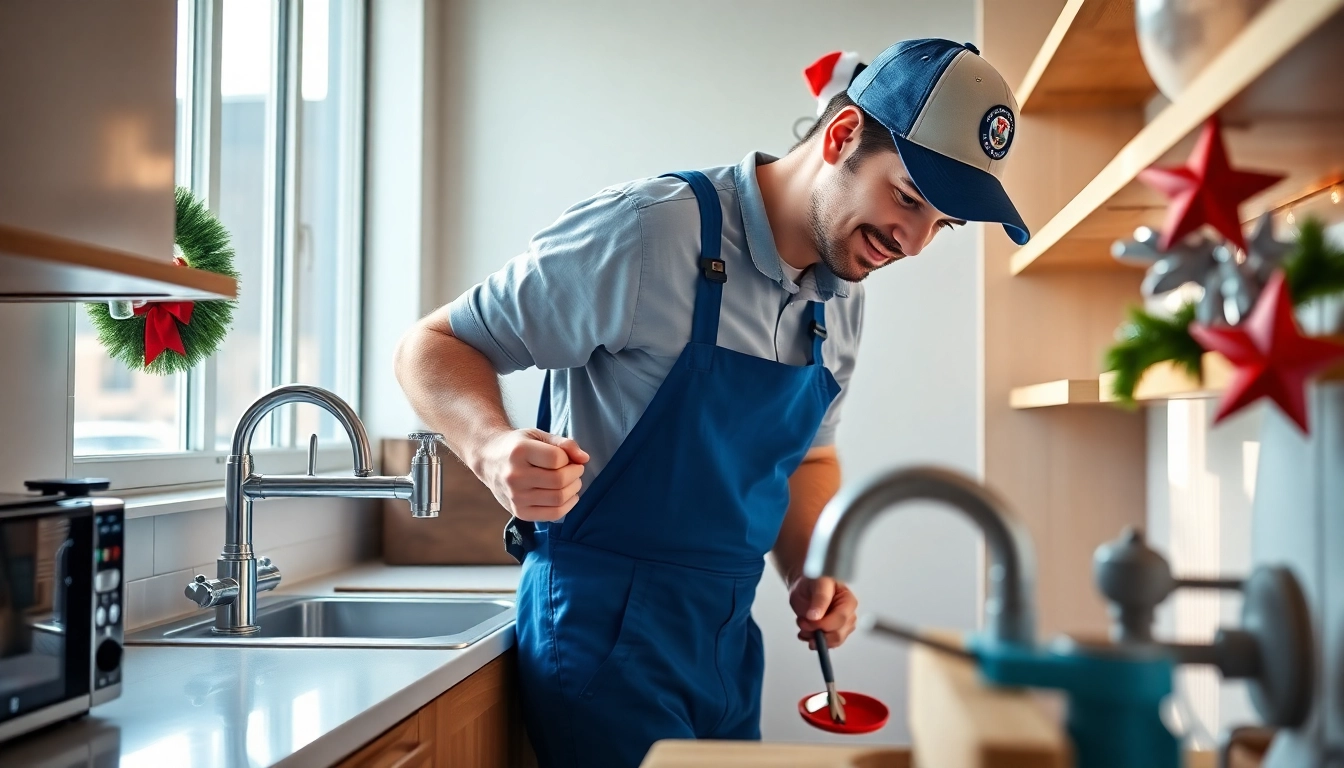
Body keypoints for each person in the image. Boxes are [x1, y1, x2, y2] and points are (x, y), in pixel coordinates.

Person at [395, 37, 1030, 768]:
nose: (912, 243)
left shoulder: (842, 299)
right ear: (842, 134)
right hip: (602, 632)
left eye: (940, 227)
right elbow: (433, 345)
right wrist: (489, 446)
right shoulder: (648, 233)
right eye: (909, 199)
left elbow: (809, 457)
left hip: (729, 635)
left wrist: (809, 568)